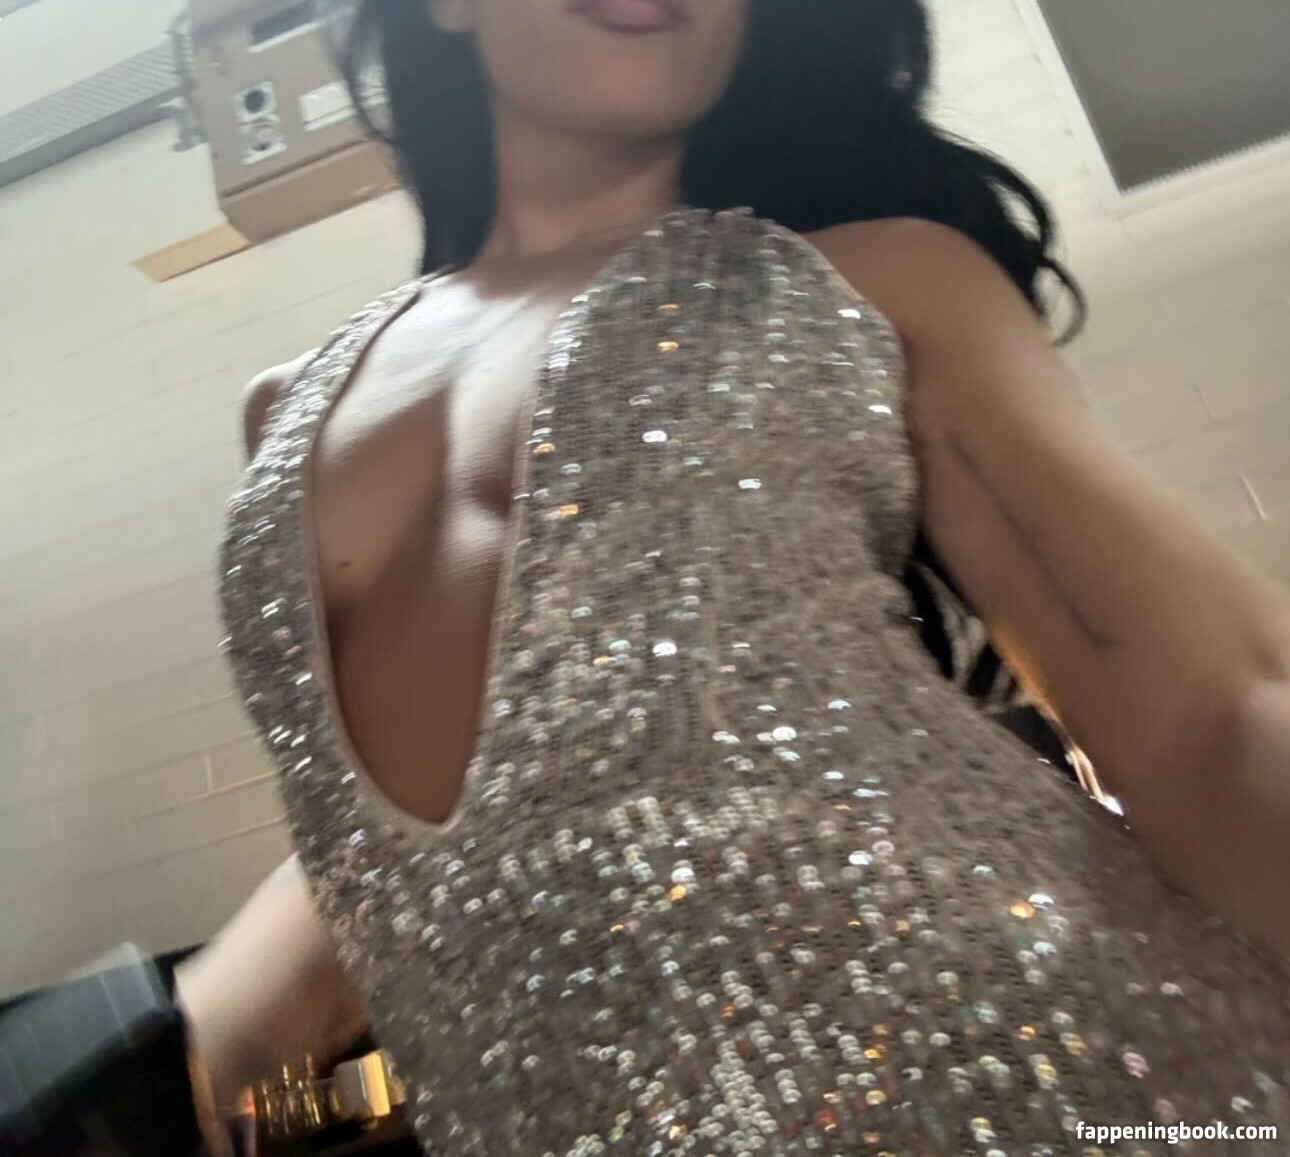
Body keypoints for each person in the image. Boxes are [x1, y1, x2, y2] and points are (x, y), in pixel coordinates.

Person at [177, 0, 1290, 1152]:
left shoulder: (873, 278)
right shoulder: (285, 415)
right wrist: (165, 1052)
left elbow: (1210, 713)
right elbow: (413, 850)